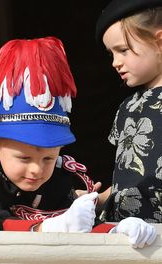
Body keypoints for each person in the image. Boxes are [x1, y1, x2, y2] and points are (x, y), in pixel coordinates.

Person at [0, 37, 157, 248]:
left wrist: (116, 230)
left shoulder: (58, 179)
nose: (36, 169)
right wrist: (46, 228)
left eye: (48, 158)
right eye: (24, 157)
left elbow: (81, 226)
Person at [94, 0, 162, 223]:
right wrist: (97, 198)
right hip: (125, 234)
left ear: (159, 42)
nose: (115, 62)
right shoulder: (128, 106)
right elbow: (129, 180)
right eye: (111, 54)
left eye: (123, 50)